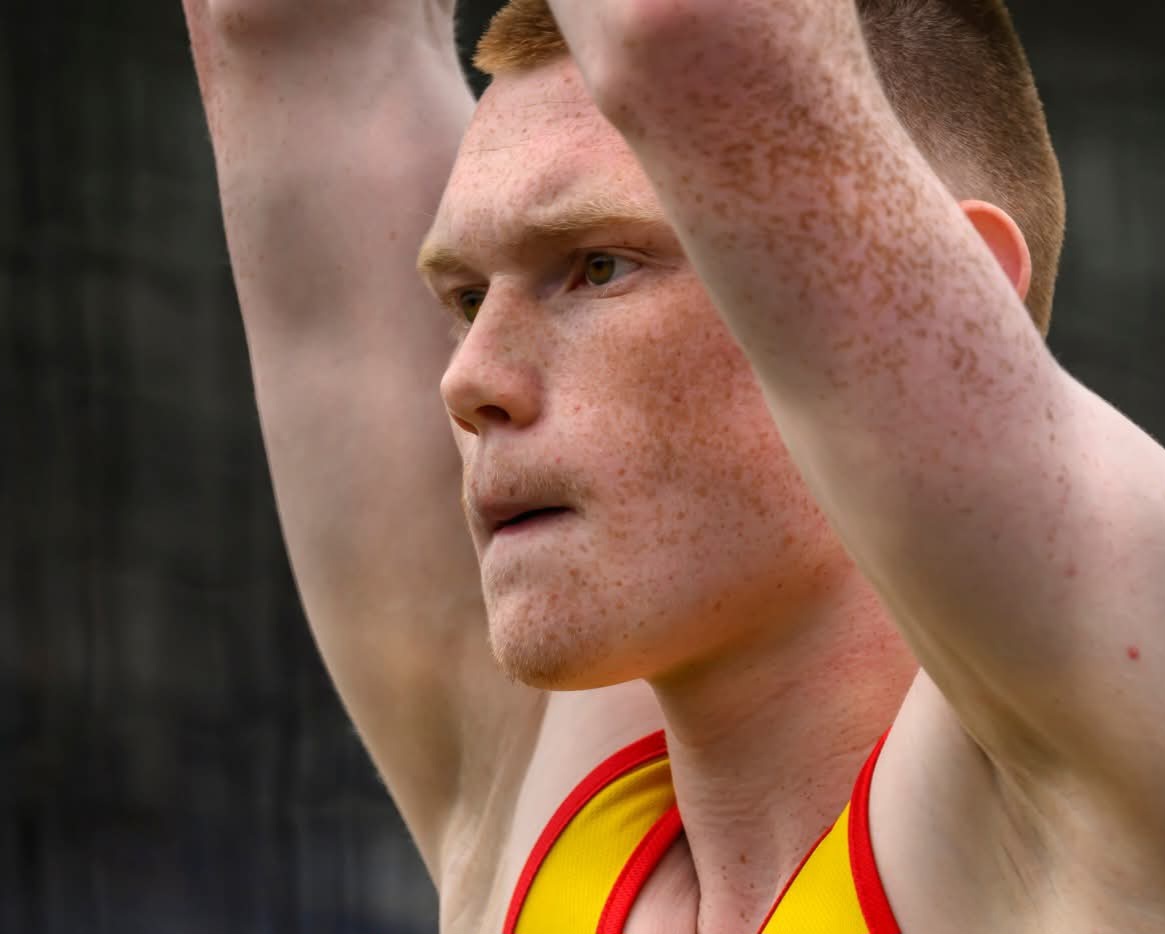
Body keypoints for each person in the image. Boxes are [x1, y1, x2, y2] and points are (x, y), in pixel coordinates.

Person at [180, 0, 1165, 931]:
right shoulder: (533, 809)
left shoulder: (1101, 733)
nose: (467, 379)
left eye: (598, 265)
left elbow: (680, 32)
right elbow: (281, 33)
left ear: (950, 304)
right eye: (468, 299)